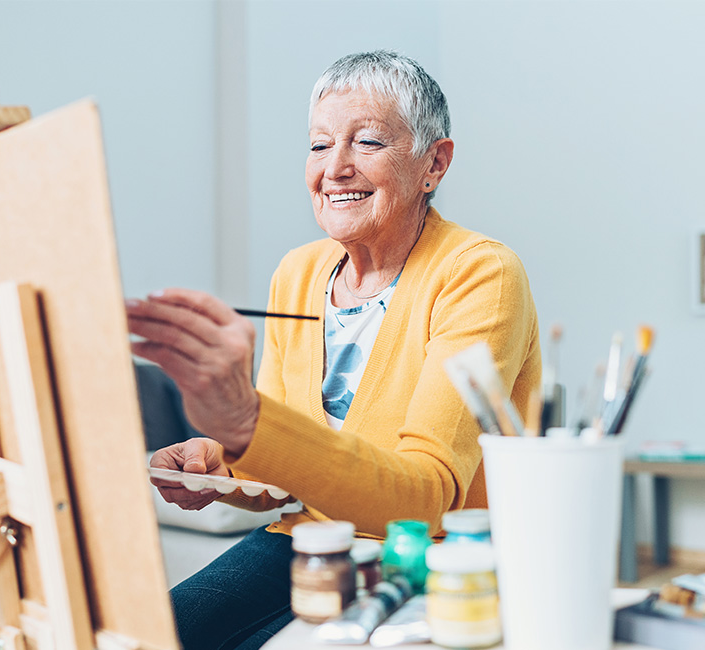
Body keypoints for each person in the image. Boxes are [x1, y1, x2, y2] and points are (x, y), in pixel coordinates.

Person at [125, 50, 541, 650]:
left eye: (367, 142)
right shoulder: (297, 272)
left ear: (434, 163)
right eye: (320, 146)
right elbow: (286, 446)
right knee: (150, 638)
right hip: (305, 540)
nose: (336, 167)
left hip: (427, 557)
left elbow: (422, 502)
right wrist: (219, 459)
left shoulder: (479, 273)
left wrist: (247, 423)